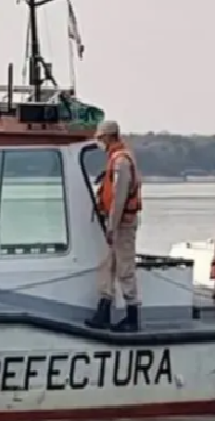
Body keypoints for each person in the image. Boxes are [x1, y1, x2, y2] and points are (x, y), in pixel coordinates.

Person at [84, 120, 143, 332]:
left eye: (101, 138)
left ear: (109, 137)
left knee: (125, 268)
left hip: (122, 224)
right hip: (115, 223)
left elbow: (119, 198)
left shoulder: (121, 162)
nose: (99, 142)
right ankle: (104, 310)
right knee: (107, 266)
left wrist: (112, 226)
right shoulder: (115, 159)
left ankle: (132, 317)